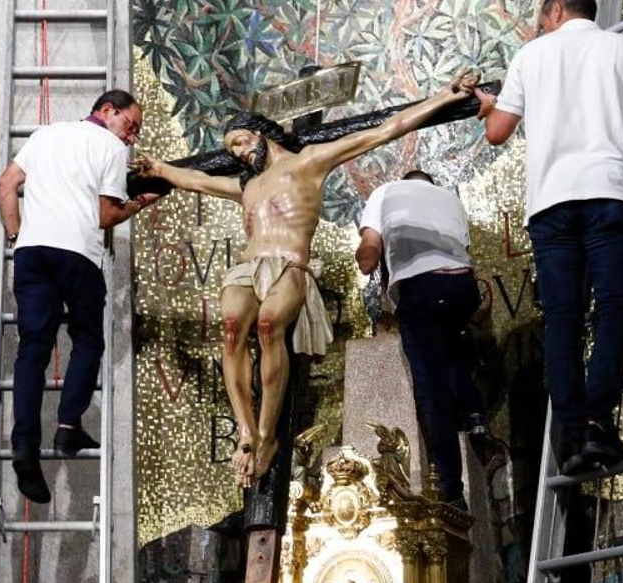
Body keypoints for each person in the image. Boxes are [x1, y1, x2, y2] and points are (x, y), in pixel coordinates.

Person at [133, 74, 479, 487]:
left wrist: (444, 97)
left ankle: (267, 435)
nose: (239, 153)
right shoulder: (246, 186)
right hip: (248, 266)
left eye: (240, 141)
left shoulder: (309, 161)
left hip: (289, 265)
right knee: (231, 329)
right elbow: (197, 180)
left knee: (268, 326)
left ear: (261, 134)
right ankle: (246, 432)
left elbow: (385, 130)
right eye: (231, 150)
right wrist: (158, 168)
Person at [473, 0, 623, 475]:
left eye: (543, 18)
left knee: (562, 317)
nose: (542, 27)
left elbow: (497, 133)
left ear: (557, 10)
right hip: (611, 194)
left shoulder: (530, 57)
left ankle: (573, 435)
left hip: (551, 203)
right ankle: (600, 421)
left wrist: (489, 109)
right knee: (614, 308)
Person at [0, 90, 162, 504]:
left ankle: (24, 448)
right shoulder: (110, 147)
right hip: (77, 255)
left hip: (32, 253)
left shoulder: (44, 135)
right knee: (87, 339)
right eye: (131, 126)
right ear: (107, 111)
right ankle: (68, 426)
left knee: (33, 350)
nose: (131, 137)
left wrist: (16, 235)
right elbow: (106, 215)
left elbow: (5, 184)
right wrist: (140, 203)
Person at [354, 170, 489, 507]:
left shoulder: (385, 192)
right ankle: (474, 414)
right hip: (463, 286)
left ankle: (451, 491)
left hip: (422, 287)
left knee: (432, 391)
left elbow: (369, 252)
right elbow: (464, 252)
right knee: (453, 346)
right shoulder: (450, 199)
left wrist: (366, 263)